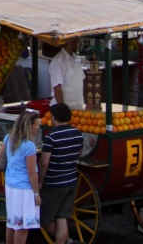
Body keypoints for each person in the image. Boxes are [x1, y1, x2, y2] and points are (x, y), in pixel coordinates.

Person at [38, 102, 83, 244]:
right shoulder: (78, 133)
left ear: (54, 117)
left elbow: (44, 162)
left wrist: (40, 180)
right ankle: (66, 242)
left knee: (43, 219)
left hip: (54, 184)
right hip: (71, 181)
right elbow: (79, 153)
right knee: (61, 217)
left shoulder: (51, 138)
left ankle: (66, 242)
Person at [0, 108, 41, 244]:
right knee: (22, 227)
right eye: (36, 124)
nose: (39, 127)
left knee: (11, 223)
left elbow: (0, 155)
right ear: (29, 126)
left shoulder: (9, 138)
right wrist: (36, 194)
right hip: (24, 190)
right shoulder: (29, 146)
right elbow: (32, 172)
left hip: (10, 186)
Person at [49, 38, 85, 110]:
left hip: (78, 106)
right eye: (77, 41)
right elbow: (57, 88)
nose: (79, 44)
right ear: (70, 42)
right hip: (64, 108)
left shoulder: (76, 59)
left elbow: (80, 81)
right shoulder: (59, 62)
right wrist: (62, 110)